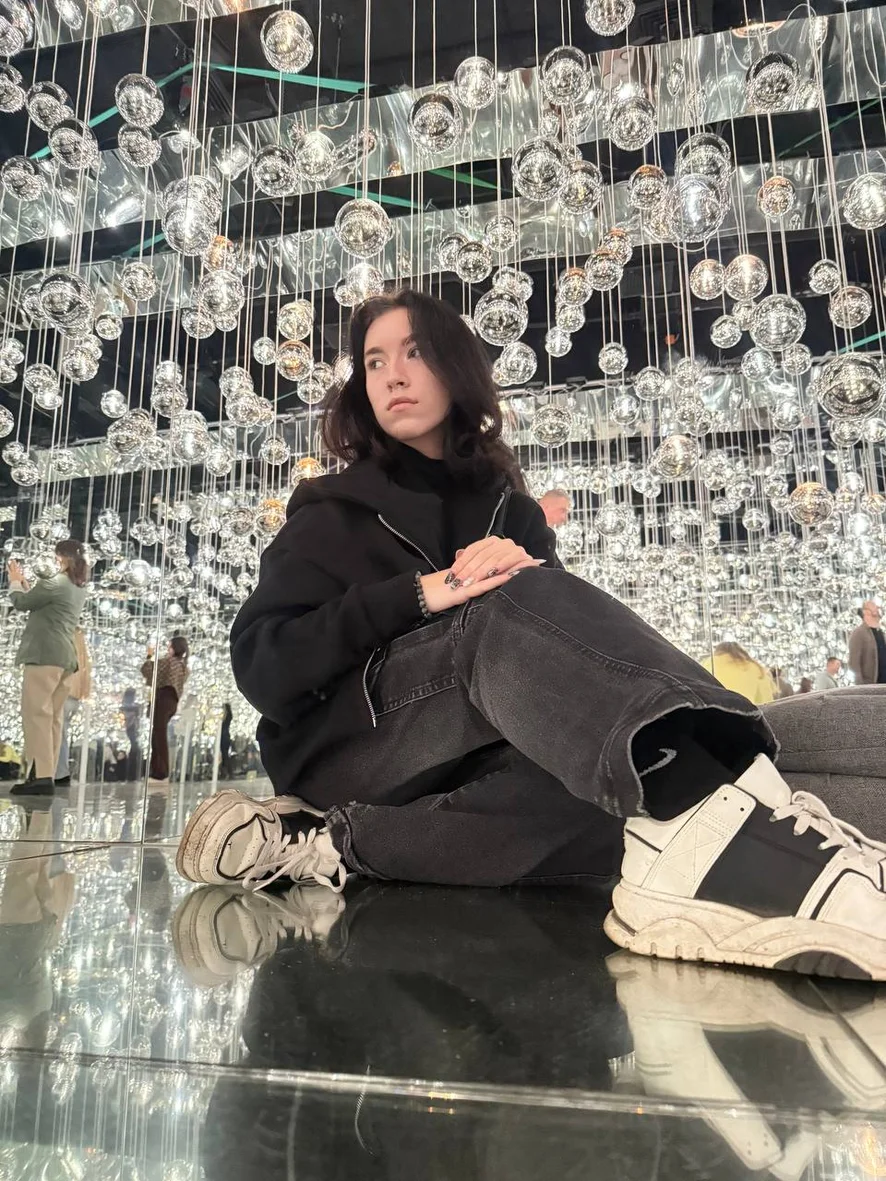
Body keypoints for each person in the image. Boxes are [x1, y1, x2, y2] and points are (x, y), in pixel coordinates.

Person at [176, 289, 886, 981]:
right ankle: (718, 835)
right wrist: (421, 594)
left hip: (482, 756)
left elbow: (564, 668)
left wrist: (522, 569)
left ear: (454, 366)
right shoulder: (331, 510)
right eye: (374, 361)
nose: (392, 374)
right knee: (512, 611)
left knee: (676, 764)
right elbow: (263, 665)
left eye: (414, 352)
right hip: (355, 747)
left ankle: (336, 843)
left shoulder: (512, 513)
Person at [7, 540, 90, 795]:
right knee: (53, 718)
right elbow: (42, 602)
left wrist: (14, 582)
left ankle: (40, 776)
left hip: (44, 655)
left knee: (36, 715)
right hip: (65, 659)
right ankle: (47, 773)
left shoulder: (54, 582)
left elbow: (21, 603)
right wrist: (27, 586)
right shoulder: (77, 588)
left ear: (62, 557)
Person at [141, 636, 189, 786]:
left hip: (163, 700)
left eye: (169, 646)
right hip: (172, 702)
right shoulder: (183, 667)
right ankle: (158, 771)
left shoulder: (169, 662)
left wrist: (150, 655)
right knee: (158, 734)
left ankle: (161, 772)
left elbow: (147, 669)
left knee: (159, 736)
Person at [54, 627, 91, 787]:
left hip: (65, 691)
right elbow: (86, 673)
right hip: (75, 696)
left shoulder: (65, 637)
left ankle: (59, 772)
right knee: (61, 732)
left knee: (57, 732)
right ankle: (60, 772)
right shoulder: (82, 647)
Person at [702, 643, 776, 706]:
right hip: (747, 714)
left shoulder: (708, 663)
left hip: (715, 712)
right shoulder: (756, 668)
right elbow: (767, 703)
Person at [848, 601, 886, 685]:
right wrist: (861, 687)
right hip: (871, 685)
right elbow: (854, 663)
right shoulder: (859, 633)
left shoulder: (881, 632)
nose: (877, 609)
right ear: (865, 611)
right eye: (874, 606)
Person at [219, 703, 233, 779]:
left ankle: (227, 773)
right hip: (225, 738)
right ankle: (227, 773)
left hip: (224, 738)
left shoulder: (226, 718)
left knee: (225, 756)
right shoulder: (227, 718)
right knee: (225, 755)